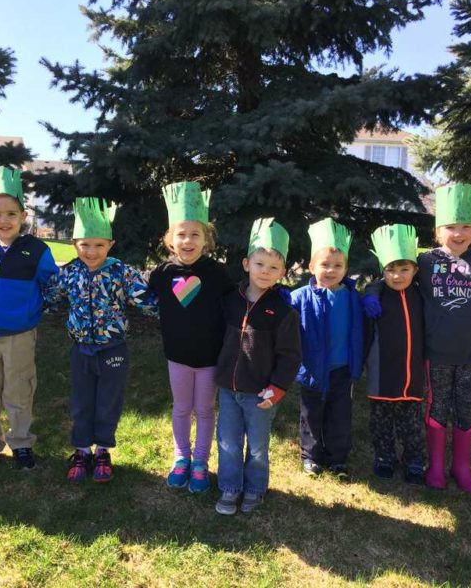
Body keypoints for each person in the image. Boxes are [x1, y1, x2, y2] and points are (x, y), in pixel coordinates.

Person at [364, 183, 471, 495]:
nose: (459, 233)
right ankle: (437, 467)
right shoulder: (425, 263)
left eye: (466, 226)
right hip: (436, 354)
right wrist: (371, 294)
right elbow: (388, 275)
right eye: (451, 227)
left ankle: (462, 467)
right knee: (438, 407)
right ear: (438, 231)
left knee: (466, 409)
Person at [44, 197, 157, 483]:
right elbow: (50, 296)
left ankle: (103, 450)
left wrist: (172, 303)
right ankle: (82, 450)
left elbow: (146, 301)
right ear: (74, 244)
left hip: (113, 350)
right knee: (81, 401)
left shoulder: (122, 272)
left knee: (108, 401)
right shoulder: (69, 272)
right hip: (81, 350)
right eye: (85, 244)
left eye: (99, 245)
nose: (91, 251)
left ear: (110, 245)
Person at [0, 166, 58, 472]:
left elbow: (51, 284)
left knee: (19, 389)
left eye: (11, 214)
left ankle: (21, 443)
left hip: (19, 333)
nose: (4, 220)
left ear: (23, 216)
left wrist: (32, 311)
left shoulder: (37, 249)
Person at [147, 181, 234, 493]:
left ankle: (200, 461)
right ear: (170, 240)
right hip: (178, 357)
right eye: (181, 234)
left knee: (206, 410)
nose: (188, 240)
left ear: (205, 239)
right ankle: (181, 456)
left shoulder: (218, 272)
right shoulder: (161, 274)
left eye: (195, 234)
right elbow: (143, 299)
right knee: (182, 408)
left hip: (210, 357)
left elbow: (233, 305)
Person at [214, 218, 302, 515]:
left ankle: (254, 489)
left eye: (273, 267)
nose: (265, 272)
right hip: (228, 388)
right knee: (227, 441)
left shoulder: (282, 311)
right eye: (260, 264)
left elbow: (290, 355)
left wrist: (277, 389)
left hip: (261, 394)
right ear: (246, 263)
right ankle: (229, 488)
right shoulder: (229, 301)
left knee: (258, 447)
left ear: (283, 272)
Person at [290, 219, 363, 480]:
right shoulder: (298, 297)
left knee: (339, 414)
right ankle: (311, 457)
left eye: (338, 266)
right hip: (312, 368)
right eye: (324, 265)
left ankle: (337, 457)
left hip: (342, 368)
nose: (331, 270)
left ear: (345, 269)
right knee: (311, 414)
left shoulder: (354, 297)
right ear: (311, 266)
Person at [363, 224, 426, 484]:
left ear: (415, 270)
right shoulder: (376, 296)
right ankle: (384, 458)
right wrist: (370, 293)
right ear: (382, 271)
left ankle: (414, 462)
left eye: (404, 269)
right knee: (381, 421)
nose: (397, 276)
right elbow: (364, 333)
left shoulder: (422, 295)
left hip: (412, 371)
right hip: (382, 371)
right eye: (390, 270)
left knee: (411, 423)